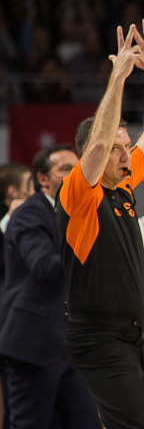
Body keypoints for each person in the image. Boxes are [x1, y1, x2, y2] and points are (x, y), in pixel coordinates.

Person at [56, 19, 144, 429]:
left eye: (127, 148)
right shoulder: (79, 194)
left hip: (132, 338)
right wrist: (118, 78)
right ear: (92, 157)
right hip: (98, 339)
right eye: (120, 149)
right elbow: (100, 143)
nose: (127, 155)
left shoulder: (121, 187)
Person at [0, 145, 102, 428]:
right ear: (43, 179)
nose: (74, 175)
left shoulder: (73, 214)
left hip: (69, 345)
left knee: (86, 423)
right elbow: (45, 266)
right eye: (65, 169)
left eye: (77, 168)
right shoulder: (30, 214)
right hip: (34, 344)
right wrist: (89, 252)